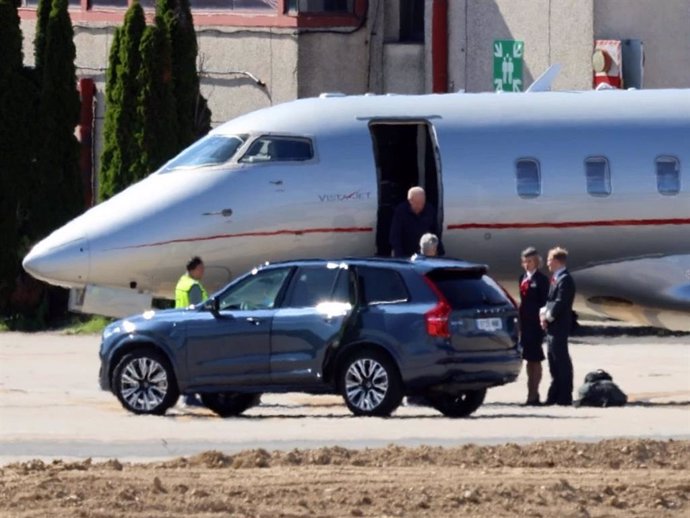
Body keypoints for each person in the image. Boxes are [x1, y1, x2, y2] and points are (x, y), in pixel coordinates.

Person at [540, 247, 576, 406]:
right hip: (551, 326)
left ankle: (564, 396)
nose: (547, 263)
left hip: (559, 325)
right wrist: (543, 314)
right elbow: (550, 300)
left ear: (556, 261)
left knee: (561, 360)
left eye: (549, 260)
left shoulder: (565, 280)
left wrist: (548, 317)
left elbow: (561, 302)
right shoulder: (556, 278)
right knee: (553, 361)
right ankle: (554, 394)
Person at [175, 256, 208, 407]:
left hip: (181, 323)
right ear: (193, 270)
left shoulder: (182, 282)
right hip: (194, 326)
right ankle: (190, 397)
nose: (203, 272)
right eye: (201, 269)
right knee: (197, 363)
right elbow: (198, 307)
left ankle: (187, 395)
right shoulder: (194, 286)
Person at [518, 247, 549, 405]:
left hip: (535, 324)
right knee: (528, 358)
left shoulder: (541, 280)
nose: (527, 264)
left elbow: (544, 302)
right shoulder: (522, 278)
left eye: (530, 261)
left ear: (536, 262)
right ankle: (530, 392)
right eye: (525, 261)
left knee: (535, 359)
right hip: (525, 324)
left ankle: (534, 393)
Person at [389, 186, 444, 258]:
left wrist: (439, 252)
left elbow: (435, 233)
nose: (420, 206)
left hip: (424, 254)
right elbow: (395, 236)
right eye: (417, 203)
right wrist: (400, 257)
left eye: (422, 203)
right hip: (405, 253)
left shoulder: (429, 210)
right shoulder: (401, 211)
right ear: (410, 201)